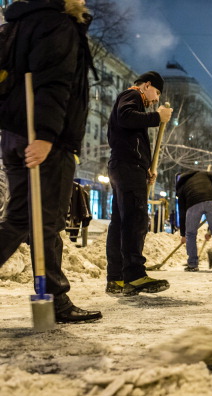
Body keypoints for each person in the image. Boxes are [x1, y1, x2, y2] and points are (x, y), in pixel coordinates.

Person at [0, 0, 102, 323]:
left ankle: (54, 296)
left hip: (14, 135)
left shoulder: (14, 24)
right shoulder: (56, 25)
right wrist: (45, 136)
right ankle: (55, 299)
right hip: (47, 140)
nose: (83, 1)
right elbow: (55, 81)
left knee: (18, 218)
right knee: (48, 221)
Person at [105, 71, 173, 296]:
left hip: (124, 167)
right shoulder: (131, 96)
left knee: (120, 224)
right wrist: (157, 117)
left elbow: (129, 138)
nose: (155, 99)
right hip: (127, 168)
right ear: (146, 85)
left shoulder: (133, 100)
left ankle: (116, 279)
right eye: (156, 93)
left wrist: (145, 170)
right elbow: (126, 117)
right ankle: (134, 275)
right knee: (135, 220)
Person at [176, 170, 212, 272]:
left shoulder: (182, 187)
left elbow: (182, 212)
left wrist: (183, 234)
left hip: (193, 204)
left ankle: (192, 264)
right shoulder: (205, 174)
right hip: (211, 202)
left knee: (190, 234)